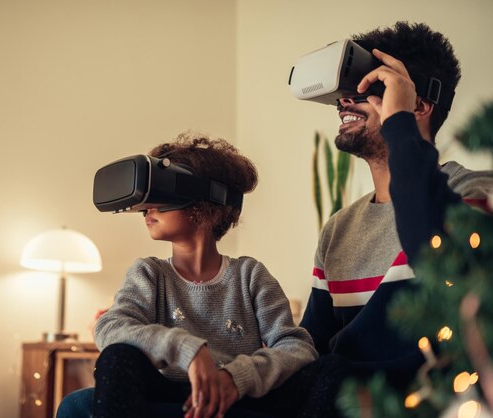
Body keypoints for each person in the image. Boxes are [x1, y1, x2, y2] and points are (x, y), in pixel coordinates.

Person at [300, 21, 493, 389]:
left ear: (416, 103)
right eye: (344, 92)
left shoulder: (476, 192)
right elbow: (311, 346)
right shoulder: (338, 229)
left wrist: (399, 124)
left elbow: (436, 249)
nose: (344, 101)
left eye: (366, 87)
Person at [83, 134, 319, 418]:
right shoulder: (149, 273)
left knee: (330, 372)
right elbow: (110, 327)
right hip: (168, 395)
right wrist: (186, 348)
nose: (147, 208)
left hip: (236, 399)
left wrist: (236, 377)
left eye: (159, 195)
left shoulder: (250, 275)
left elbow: (297, 347)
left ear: (204, 200)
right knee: (116, 357)